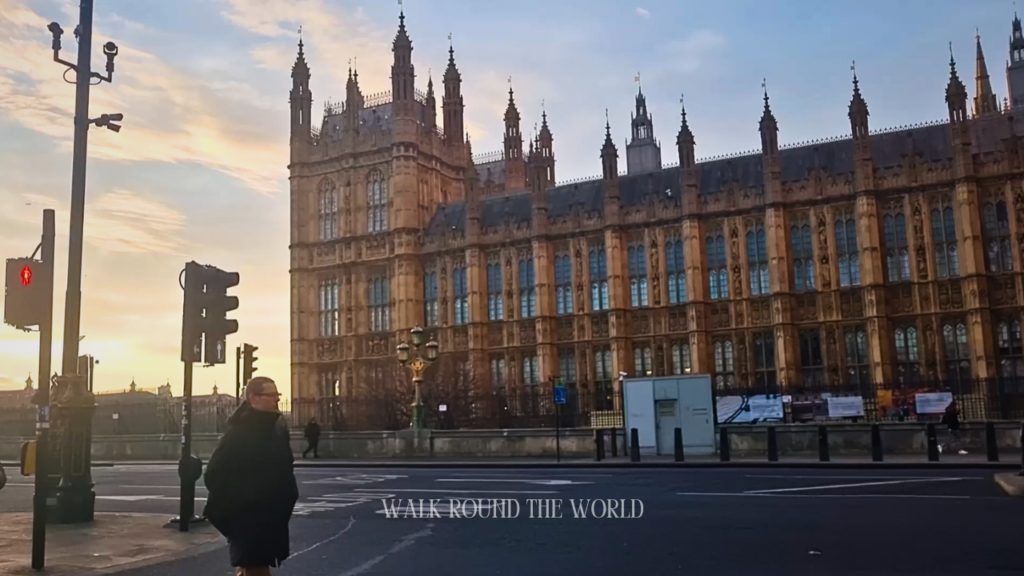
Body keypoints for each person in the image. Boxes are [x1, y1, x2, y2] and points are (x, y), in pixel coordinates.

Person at [203, 377, 298, 576]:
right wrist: (245, 502)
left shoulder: (276, 427)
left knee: (251, 566)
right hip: (251, 515)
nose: (276, 399)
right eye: (271, 395)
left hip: (271, 513)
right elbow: (214, 473)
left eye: (277, 395)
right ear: (253, 397)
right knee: (256, 565)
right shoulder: (241, 432)